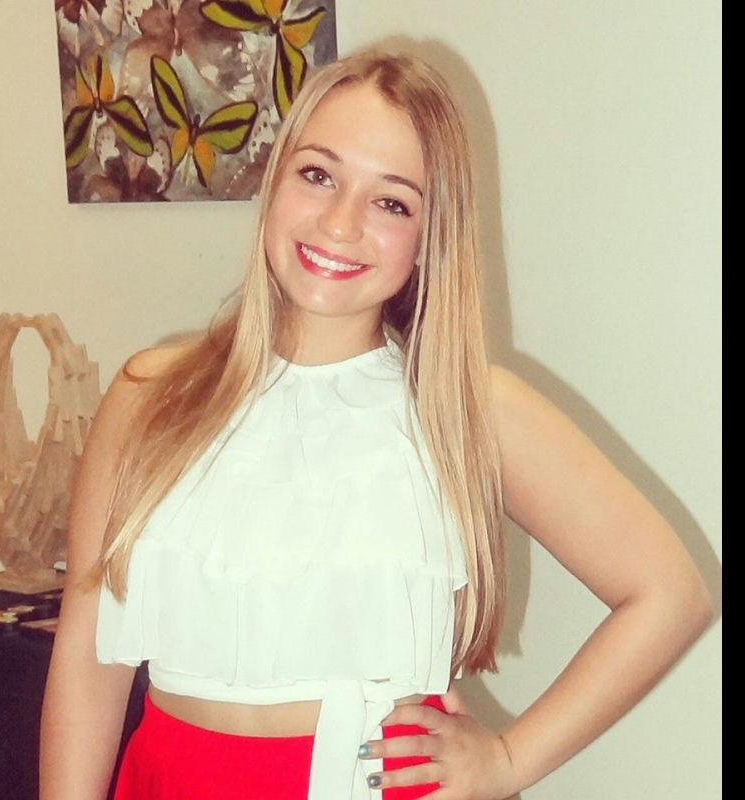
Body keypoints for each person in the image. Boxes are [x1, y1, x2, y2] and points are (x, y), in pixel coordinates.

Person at [39, 48, 712, 800]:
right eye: (318, 174)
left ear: (430, 236)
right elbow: (88, 655)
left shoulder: (466, 408)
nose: (340, 223)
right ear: (275, 180)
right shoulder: (149, 397)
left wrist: (509, 761)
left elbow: (669, 593)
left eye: (392, 203)